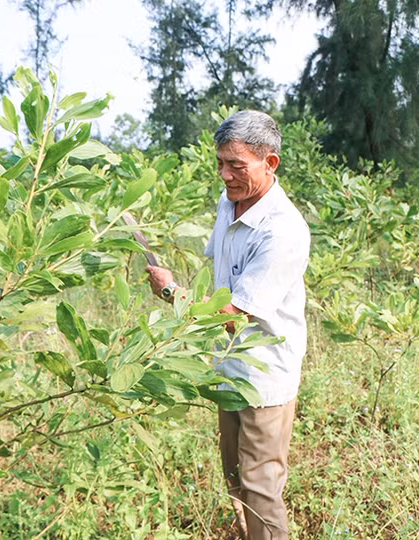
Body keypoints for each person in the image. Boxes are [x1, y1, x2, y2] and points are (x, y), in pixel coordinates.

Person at [145, 110, 310, 540]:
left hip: (263, 377)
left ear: (269, 163)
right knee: (235, 478)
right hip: (229, 370)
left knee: (260, 486)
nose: (224, 175)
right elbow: (217, 273)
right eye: (220, 163)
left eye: (236, 165)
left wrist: (170, 293)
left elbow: (234, 313)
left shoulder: (283, 231)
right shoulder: (228, 202)